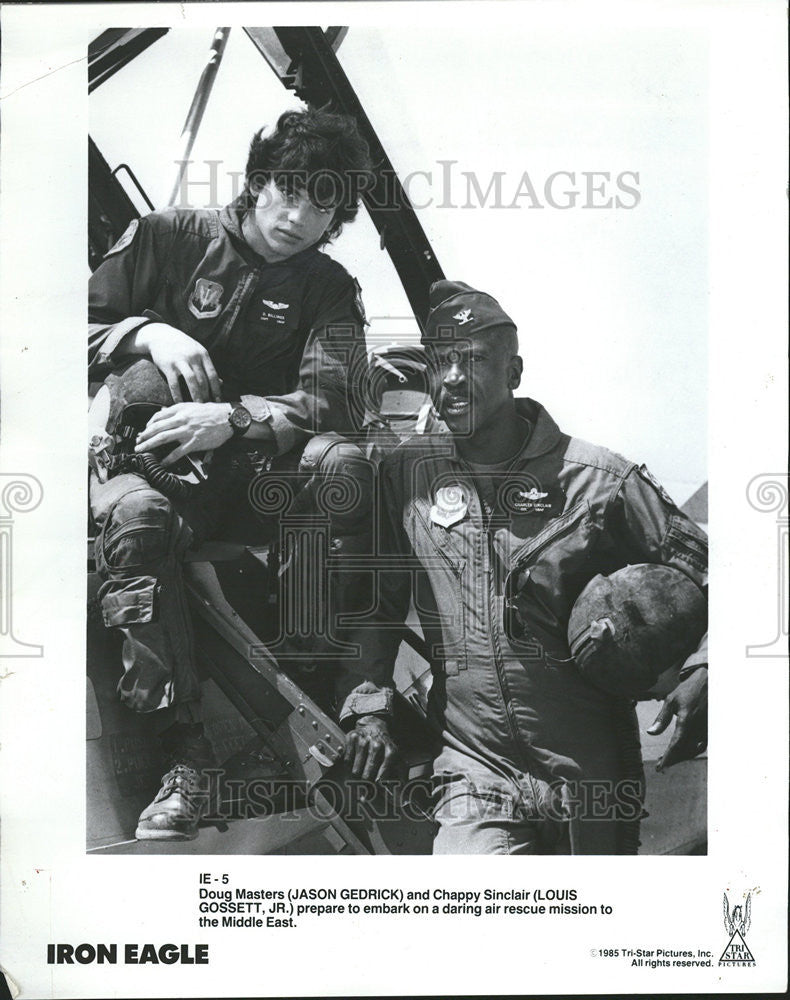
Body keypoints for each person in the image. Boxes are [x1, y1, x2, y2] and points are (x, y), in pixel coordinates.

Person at [340, 280, 708, 854]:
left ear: (514, 371)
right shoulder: (405, 478)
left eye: (475, 361)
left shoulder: (600, 482)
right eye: (441, 364)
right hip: (473, 763)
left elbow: (718, 570)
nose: (454, 378)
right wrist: (370, 704)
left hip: (589, 765)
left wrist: (705, 669)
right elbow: (380, 604)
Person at [88, 109, 374, 840]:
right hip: (151, 476)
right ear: (260, 181)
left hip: (252, 482)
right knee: (136, 519)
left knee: (340, 464)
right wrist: (146, 332)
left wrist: (235, 418)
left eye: (324, 205)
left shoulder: (328, 290)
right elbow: (61, 326)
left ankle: (323, 687)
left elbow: (332, 397)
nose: (299, 216)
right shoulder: (167, 238)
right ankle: (184, 762)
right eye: (290, 190)